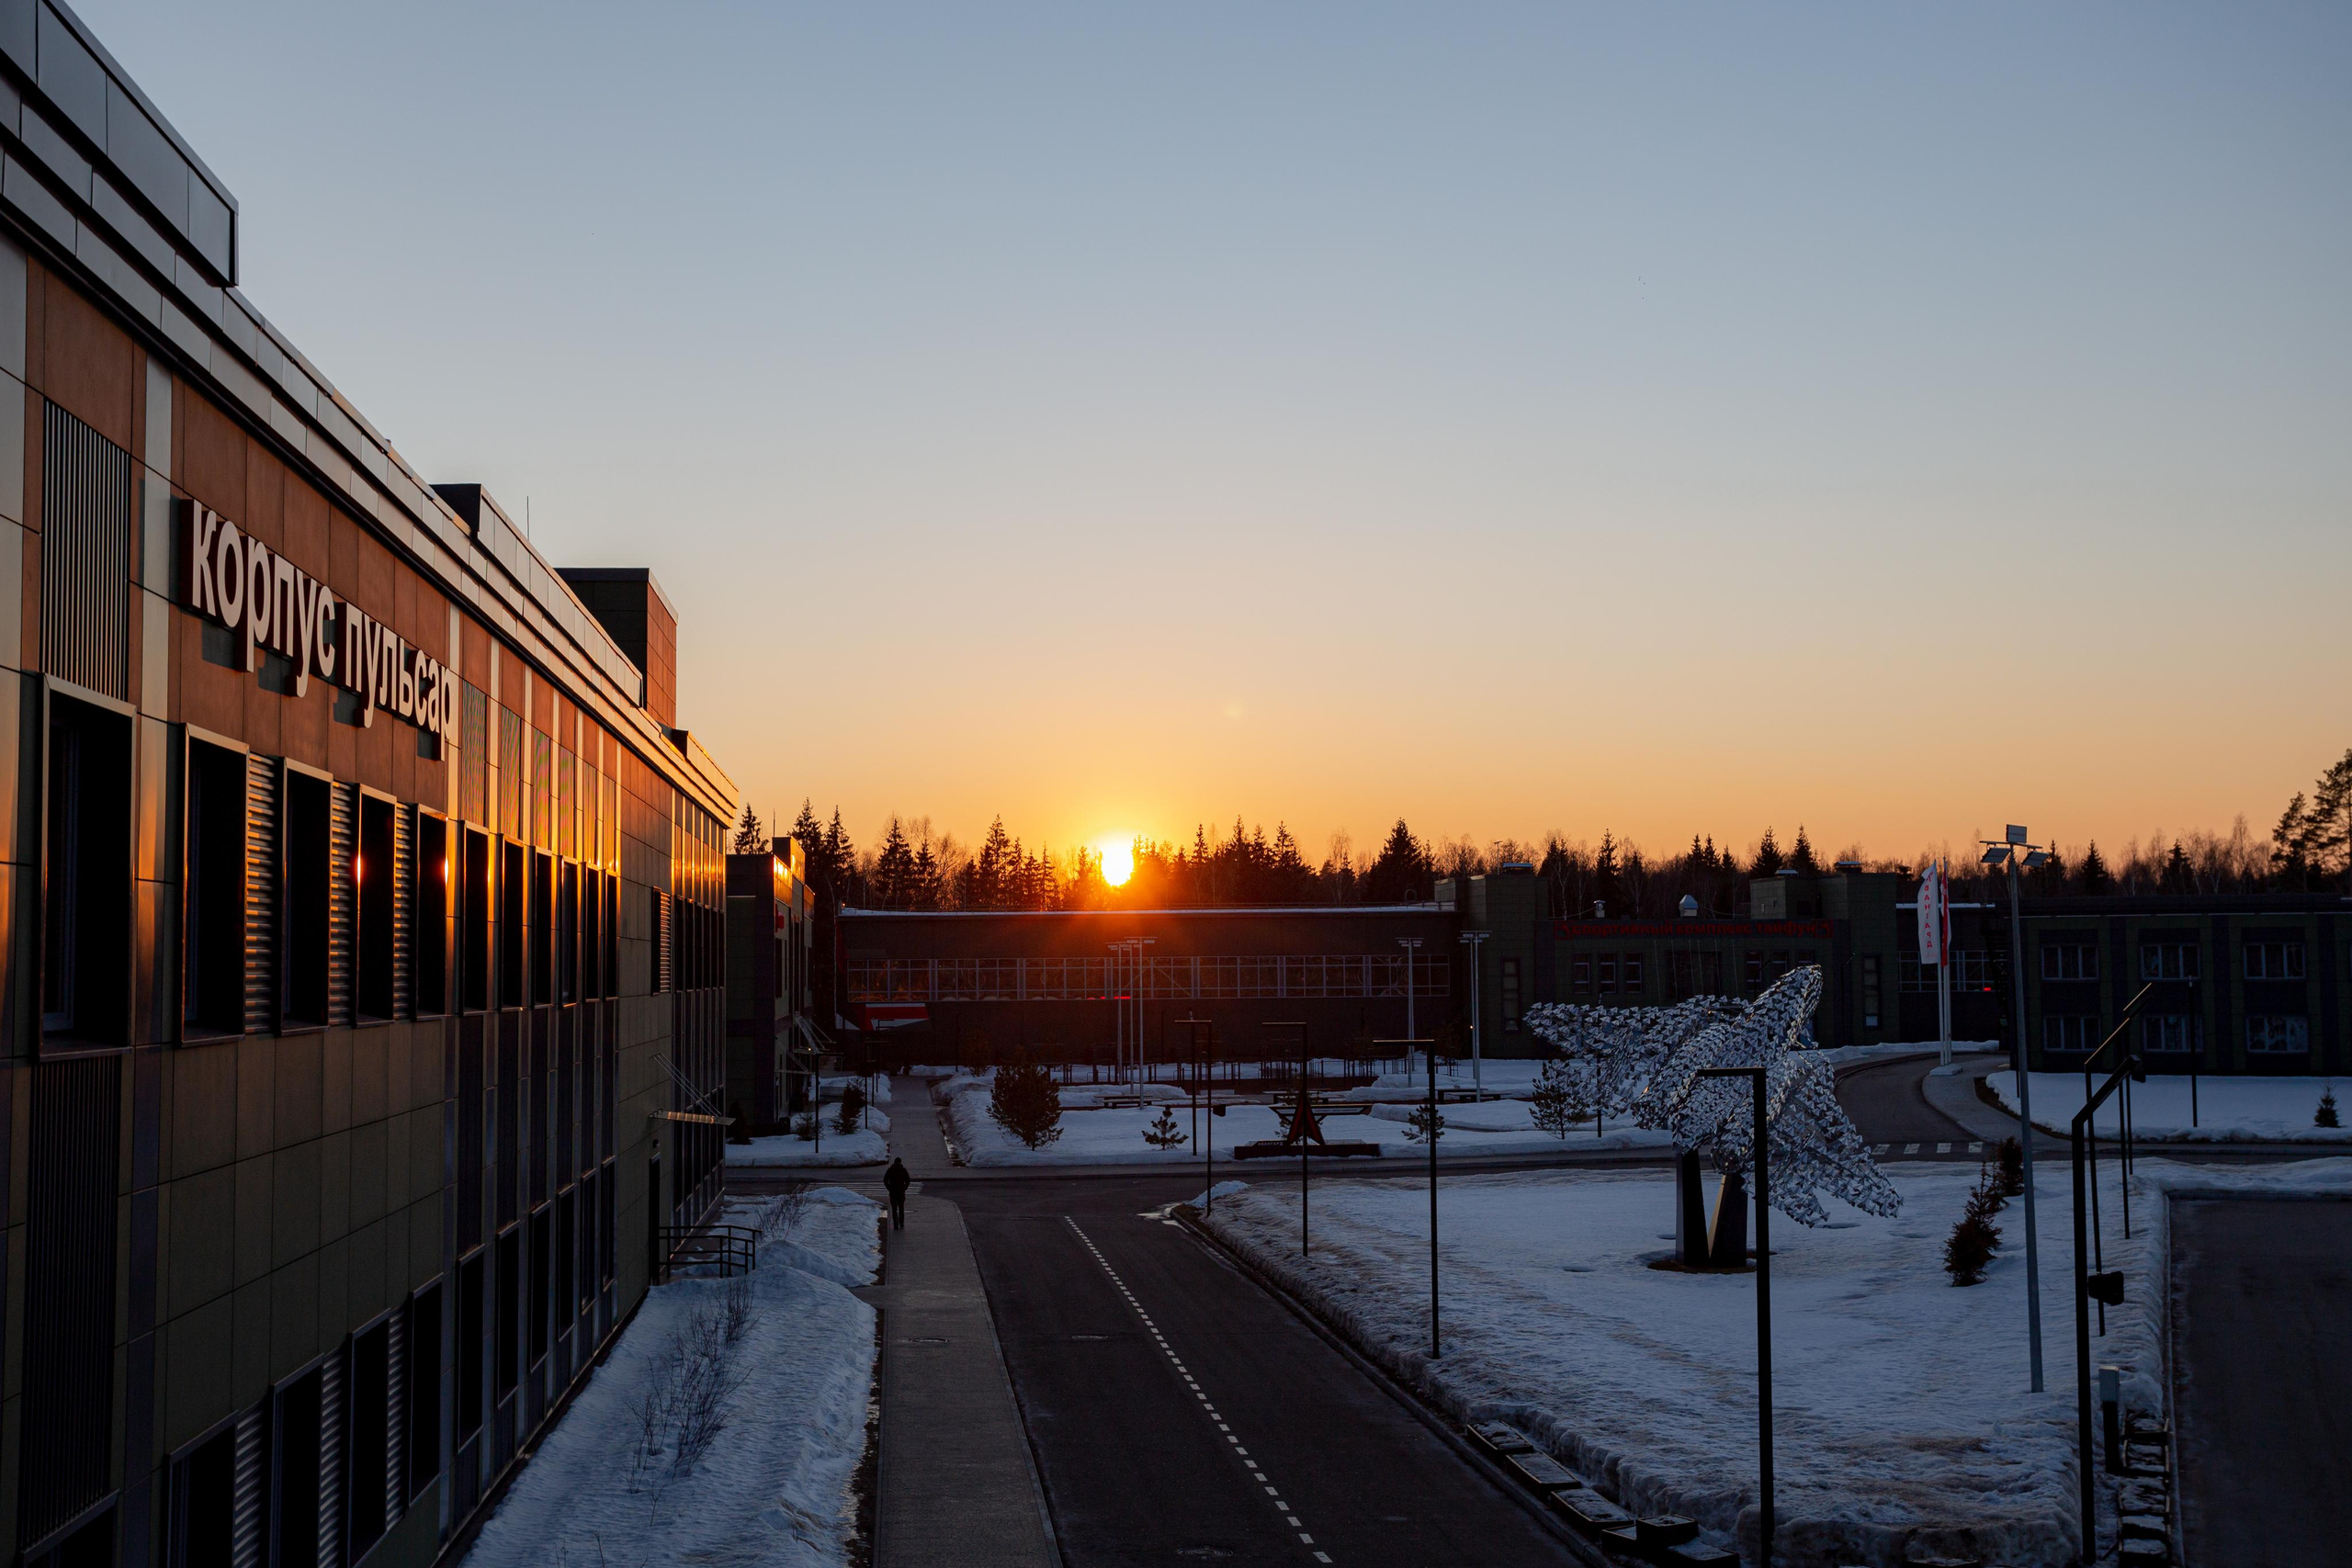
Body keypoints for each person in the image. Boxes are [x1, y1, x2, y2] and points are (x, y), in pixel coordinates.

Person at [883, 1156, 911, 1232]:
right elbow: (908, 1180)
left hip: (893, 1192)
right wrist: (904, 1188)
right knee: (901, 1208)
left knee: (894, 1209)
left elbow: (885, 1179)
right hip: (901, 1192)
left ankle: (896, 1224)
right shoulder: (903, 1170)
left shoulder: (891, 1170)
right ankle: (901, 1223)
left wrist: (889, 1187)